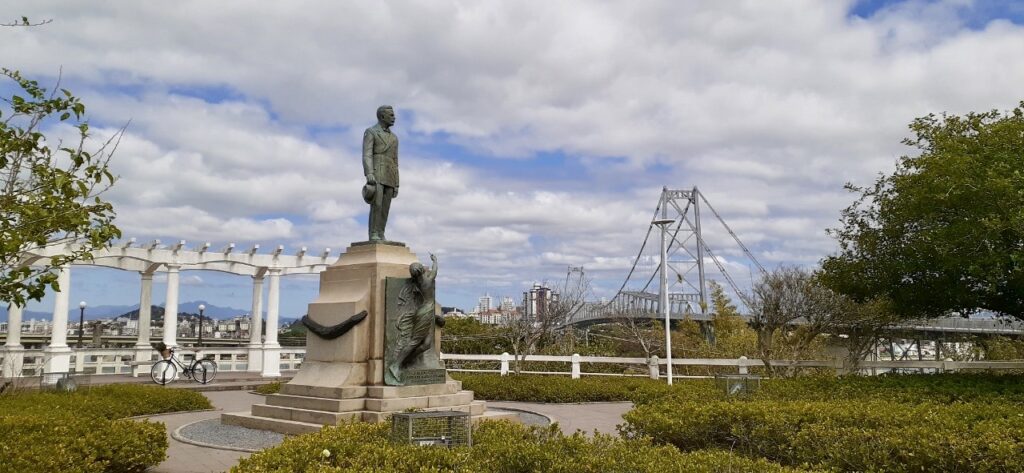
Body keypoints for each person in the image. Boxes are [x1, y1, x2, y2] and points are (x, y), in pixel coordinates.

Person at [362, 105, 399, 241]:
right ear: (382, 116)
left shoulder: (394, 138)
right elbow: (367, 155)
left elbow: (395, 160)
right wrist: (369, 173)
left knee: (385, 207)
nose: (394, 118)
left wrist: (397, 183)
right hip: (377, 172)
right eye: (391, 115)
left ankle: (381, 233)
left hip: (390, 175)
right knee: (376, 205)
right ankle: (374, 234)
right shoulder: (371, 132)